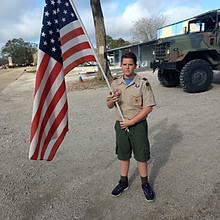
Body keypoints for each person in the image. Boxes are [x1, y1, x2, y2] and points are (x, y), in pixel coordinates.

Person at [107, 52, 156, 202]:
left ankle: (145, 183)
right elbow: (109, 105)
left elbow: (148, 107)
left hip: (138, 126)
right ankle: (123, 181)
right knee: (123, 154)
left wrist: (132, 122)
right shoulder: (115, 83)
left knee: (141, 156)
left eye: (130, 64)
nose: (127, 67)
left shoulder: (142, 82)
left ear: (135, 65)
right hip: (121, 125)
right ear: (121, 65)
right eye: (124, 64)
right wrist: (112, 100)